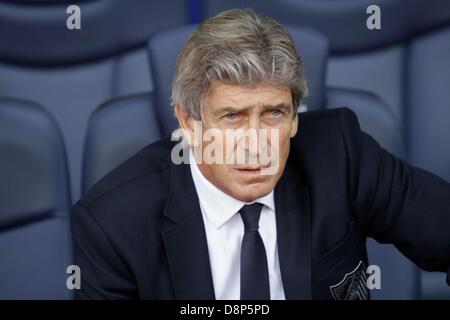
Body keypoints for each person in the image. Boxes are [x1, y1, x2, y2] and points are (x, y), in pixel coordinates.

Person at [71, 8, 450, 300]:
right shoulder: (112, 222)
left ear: (295, 118)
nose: (256, 142)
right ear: (189, 122)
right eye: (232, 116)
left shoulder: (340, 153)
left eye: (273, 113)